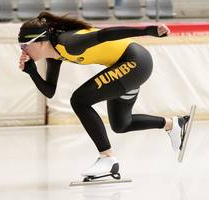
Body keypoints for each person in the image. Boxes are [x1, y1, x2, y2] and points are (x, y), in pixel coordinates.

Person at [18, 11, 187, 181]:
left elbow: (106, 34)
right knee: (121, 124)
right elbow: (50, 91)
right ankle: (173, 125)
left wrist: (148, 30)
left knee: (79, 100)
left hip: (134, 62)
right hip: (126, 66)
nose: (23, 50)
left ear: (39, 42)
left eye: (25, 45)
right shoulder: (54, 56)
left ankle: (107, 159)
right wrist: (31, 72)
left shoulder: (69, 42)